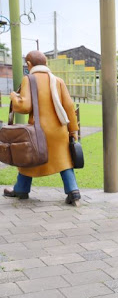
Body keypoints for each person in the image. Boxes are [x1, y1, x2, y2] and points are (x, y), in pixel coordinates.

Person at [3, 50, 82, 205]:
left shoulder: (29, 79)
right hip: (59, 130)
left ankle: (21, 190)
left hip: (38, 131)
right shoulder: (57, 80)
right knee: (64, 161)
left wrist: (13, 96)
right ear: (46, 63)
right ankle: (74, 191)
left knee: (28, 159)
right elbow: (69, 106)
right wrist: (73, 130)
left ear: (29, 64)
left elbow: (24, 106)